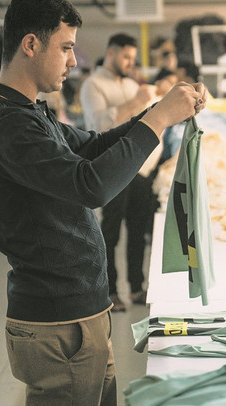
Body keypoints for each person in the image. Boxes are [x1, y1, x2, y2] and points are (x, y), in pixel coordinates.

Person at [0, 0, 206, 405]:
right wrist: (158, 119)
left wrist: (162, 112)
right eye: (65, 48)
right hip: (57, 319)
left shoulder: (30, 112)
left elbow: (95, 146)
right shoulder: (9, 125)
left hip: (77, 309)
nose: (74, 61)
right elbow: (91, 185)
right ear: (30, 44)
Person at [81, 33, 160, 312]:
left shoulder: (130, 83)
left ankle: (137, 287)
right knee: (110, 234)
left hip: (139, 169)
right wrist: (136, 101)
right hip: (111, 169)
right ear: (111, 54)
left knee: (138, 231)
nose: (130, 62)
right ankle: (111, 291)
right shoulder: (93, 85)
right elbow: (99, 126)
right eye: (126, 56)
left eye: (133, 58)